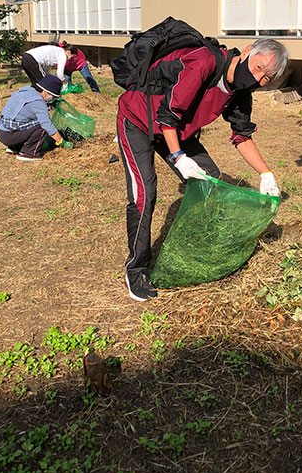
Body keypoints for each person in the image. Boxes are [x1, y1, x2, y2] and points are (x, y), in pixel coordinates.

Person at [117, 37, 288, 301]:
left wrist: (266, 174)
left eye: (267, 78)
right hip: (138, 120)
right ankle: (137, 268)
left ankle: (199, 247)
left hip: (177, 131)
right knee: (144, 194)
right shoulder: (204, 62)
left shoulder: (241, 92)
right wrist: (178, 157)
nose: (258, 79)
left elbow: (241, 136)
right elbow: (167, 114)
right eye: (258, 68)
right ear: (247, 52)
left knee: (211, 180)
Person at [0, 75, 72, 161]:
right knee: (41, 125)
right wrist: (61, 141)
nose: (52, 99)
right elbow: (47, 125)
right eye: (53, 96)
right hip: (9, 135)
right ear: (46, 92)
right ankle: (29, 152)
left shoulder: (27, 89)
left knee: (30, 121)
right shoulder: (38, 102)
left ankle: (15, 147)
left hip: (0, 131)